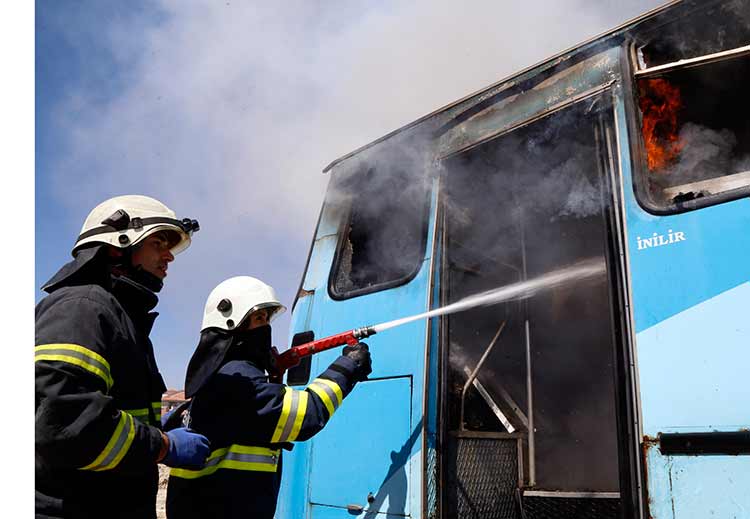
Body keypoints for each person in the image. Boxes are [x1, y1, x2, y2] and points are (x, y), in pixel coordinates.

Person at [35, 195, 211, 519]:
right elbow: (67, 425)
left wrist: (158, 428)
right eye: (159, 243)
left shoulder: (121, 319)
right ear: (118, 246)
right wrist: (163, 446)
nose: (169, 256)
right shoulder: (83, 308)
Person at [166, 276, 373, 519]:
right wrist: (348, 366)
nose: (266, 327)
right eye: (258, 318)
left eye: (267, 318)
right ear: (234, 325)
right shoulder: (237, 379)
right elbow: (308, 414)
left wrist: (275, 377)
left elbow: (254, 425)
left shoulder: (222, 375)